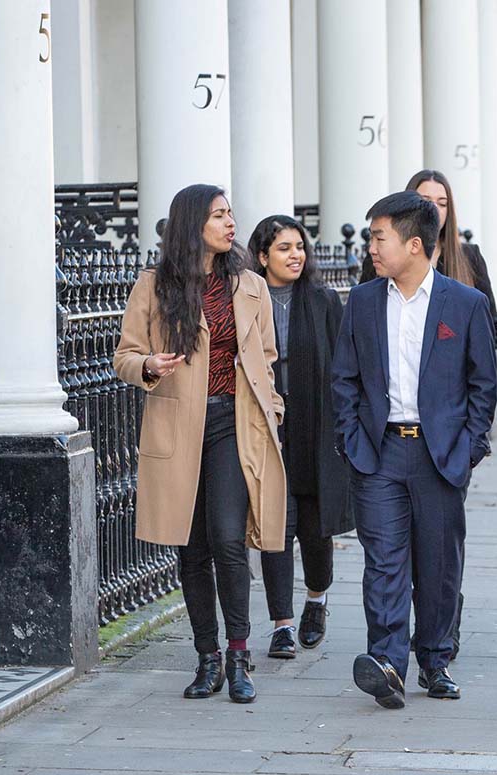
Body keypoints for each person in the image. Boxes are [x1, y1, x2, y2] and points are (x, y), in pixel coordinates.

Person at [113, 184, 287, 704]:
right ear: (194, 224)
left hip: (235, 425)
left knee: (230, 540)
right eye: (218, 215)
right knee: (191, 551)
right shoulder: (155, 285)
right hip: (178, 428)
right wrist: (148, 365)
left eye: (231, 213)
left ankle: (239, 654)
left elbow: (268, 358)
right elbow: (124, 355)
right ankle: (206, 658)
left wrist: (273, 409)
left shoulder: (251, 285)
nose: (230, 222)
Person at [332, 191, 497, 709]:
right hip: (378, 454)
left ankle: (435, 659)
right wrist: (352, 440)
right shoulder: (361, 302)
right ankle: (386, 662)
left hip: (440, 454)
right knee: (383, 561)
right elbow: (344, 379)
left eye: (380, 237)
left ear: (415, 244)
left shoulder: (464, 304)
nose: (372, 248)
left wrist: (468, 448)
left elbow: (482, 384)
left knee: (438, 564)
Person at [249, 215, 352, 659]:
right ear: (262, 256)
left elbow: (345, 365)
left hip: (315, 424)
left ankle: (316, 598)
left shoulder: (324, 300)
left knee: (313, 526)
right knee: (275, 523)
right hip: (268, 422)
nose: (295, 255)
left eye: (299, 247)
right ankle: (281, 624)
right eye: (284, 248)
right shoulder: (249, 299)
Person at [362, 169, 497, 348]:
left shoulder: (469, 256)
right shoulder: (380, 256)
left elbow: (491, 326)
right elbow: (364, 320)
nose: (435, 209)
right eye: (426, 201)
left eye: (442, 204)